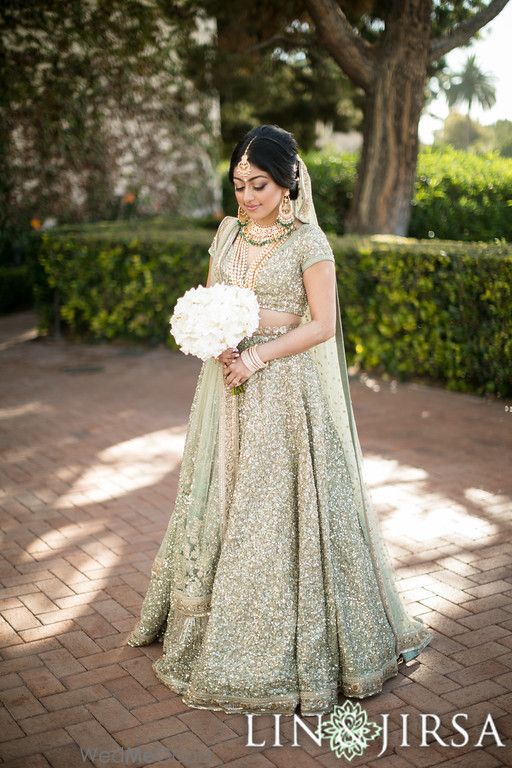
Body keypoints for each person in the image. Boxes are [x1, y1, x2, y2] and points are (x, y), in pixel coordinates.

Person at [126, 124, 433, 716]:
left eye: (258, 185)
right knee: (223, 497)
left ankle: (287, 644)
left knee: (271, 505)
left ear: (287, 182)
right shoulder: (226, 232)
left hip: (283, 389)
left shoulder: (309, 244)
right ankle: (209, 623)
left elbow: (321, 325)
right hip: (226, 385)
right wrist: (216, 342)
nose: (246, 197)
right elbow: (212, 300)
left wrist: (258, 356)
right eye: (239, 185)